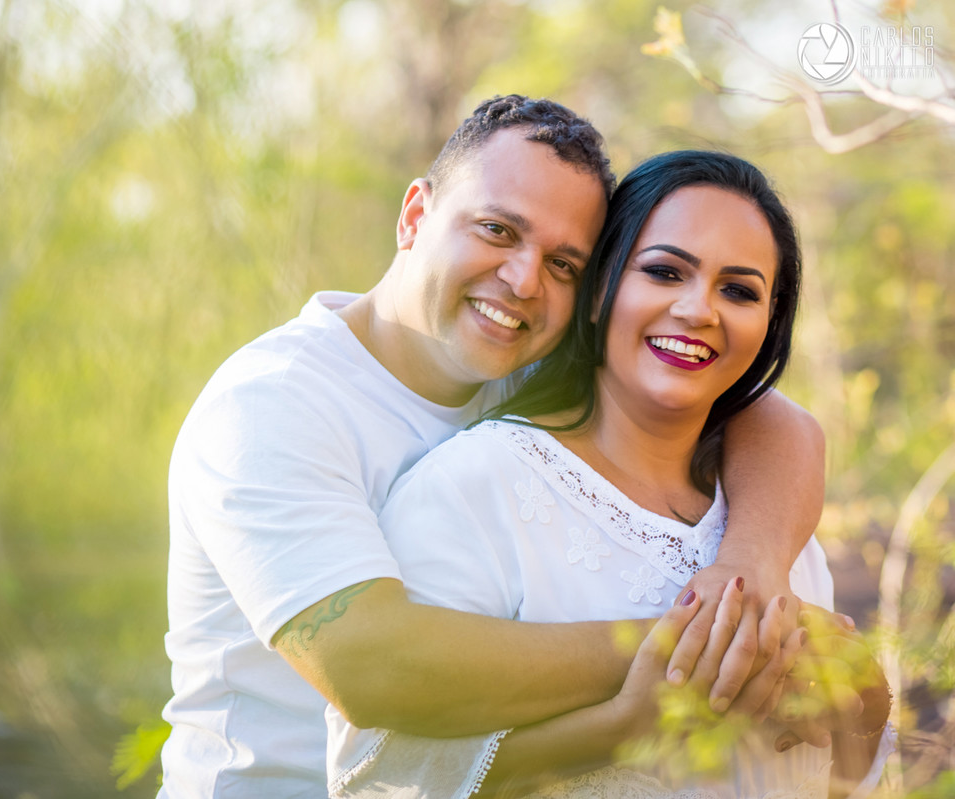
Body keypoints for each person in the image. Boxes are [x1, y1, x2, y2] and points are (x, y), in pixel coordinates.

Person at [161, 96, 827, 797]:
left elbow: (772, 421)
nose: (524, 280)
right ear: (415, 215)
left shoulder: (520, 359)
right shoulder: (272, 405)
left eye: (565, 263)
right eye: (497, 229)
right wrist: (706, 643)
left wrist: (752, 567)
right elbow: (371, 667)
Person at [326, 151, 894, 798]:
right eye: (664, 271)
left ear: (768, 326)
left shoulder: (773, 522)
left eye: (739, 290)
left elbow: (834, 779)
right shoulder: (476, 489)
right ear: (598, 290)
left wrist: (865, 701)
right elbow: (376, 780)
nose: (699, 309)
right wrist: (622, 725)